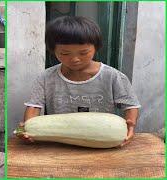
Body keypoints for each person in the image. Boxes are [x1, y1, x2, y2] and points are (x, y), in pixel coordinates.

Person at [17, 16, 140, 147]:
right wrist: (28, 128)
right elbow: (34, 106)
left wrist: (131, 123)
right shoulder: (46, 77)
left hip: (100, 141)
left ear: (96, 48)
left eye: (83, 53)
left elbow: (130, 105)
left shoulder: (113, 76)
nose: (75, 59)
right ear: (53, 51)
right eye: (65, 53)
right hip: (60, 146)